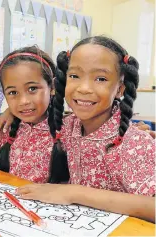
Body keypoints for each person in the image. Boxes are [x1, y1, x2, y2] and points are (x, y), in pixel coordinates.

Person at [16, 36, 155, 222]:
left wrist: (75, 192)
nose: (84, 88)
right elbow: (36, 122)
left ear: (120, 89)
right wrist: (10, 112)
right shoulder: (68, 126)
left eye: (100, 78)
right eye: (74, 76)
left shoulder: (134, 144)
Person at [0, 46, 69, 183]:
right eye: (13, 93)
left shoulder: (68, 130)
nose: (24, 101)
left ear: (52, 87)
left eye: (32, 89)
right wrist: (10, 110)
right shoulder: (7, 128)